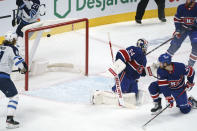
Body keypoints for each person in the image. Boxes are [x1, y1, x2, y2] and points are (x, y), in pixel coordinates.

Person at [91, 39, 148, 105]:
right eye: (145, 46)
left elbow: (139, 70)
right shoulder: (136, 50)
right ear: (142, 46)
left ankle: (125, 100)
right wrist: (119, 63)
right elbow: (122, 53)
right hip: (125, 76)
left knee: (132, 96)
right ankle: (98, 95)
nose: (146, 49)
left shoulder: (144, 59)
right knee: (118, 93)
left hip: (133, 80)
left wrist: (143, 71)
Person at [0, 32, 27, 128]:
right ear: (13, 40)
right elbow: (18, 60)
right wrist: (23, 68)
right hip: (2, 77)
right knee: (14, 97)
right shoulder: (12, 48)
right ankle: (10, 121)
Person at [166, 0, 197, 67]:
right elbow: (177, 20)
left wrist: (194, 24)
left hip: (194, 30)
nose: (187, 1)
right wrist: (178, 30)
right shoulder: (181, 7)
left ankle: (189, 67)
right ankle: (164, 62)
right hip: (183, 29)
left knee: (196, 47)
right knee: (174, 44)